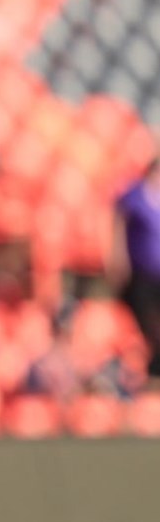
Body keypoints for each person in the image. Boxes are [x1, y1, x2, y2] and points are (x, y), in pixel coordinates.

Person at [108, 158, 160, 391]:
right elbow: (119, 220)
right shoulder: (136, 195)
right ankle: (150, 371)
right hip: (142, 274)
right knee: (148, 323)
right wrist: (117, 258)